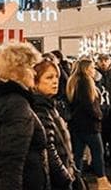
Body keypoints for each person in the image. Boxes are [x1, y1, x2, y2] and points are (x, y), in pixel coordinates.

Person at [0, 43, 48, 188]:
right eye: (30, 67)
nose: (34, 73)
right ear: (15, 71)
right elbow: (12, 162)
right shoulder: (16, 104)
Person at [69, 58, 111, 189]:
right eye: (92, 68)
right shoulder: (86, 82)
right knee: (98, 152)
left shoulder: (73, 81)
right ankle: (102, 182)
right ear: (86, 69)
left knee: (78, 155)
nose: (94, 70)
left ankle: (76, 182)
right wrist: (99, 115)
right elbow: (89, 103)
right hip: (90, 125)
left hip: (77, 124)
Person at [32, 58, 82, 190]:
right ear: (35, 82)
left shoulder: (49, 106)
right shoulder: (40, 109)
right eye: (49, 77)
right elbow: (49, 148)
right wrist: (66, 177)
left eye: (56, 77)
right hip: (56, 179)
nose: (55, 81)